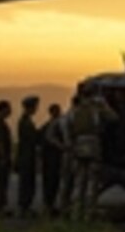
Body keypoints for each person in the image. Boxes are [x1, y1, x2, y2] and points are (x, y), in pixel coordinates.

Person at [70, 89, 117, 220]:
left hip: (78, 145)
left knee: (79, 181)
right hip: (93, 144)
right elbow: (113, 118)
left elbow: (69, 128)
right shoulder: (96, 110)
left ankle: (75, 212)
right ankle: (89, 213)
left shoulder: (74, 111)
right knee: (92, 180)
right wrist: (104, 105)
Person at [15, 95, 40, 218]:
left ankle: (25, 206)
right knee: (26, 183)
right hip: (26, 156)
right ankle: (24, 207)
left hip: (28, 155)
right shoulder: (25, 122)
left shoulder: (27, 121)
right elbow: (32, 138)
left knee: (29, 182)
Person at [39, 103, 66, 218]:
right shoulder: (56, 126)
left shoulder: (46, 126)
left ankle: (49, 206)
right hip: (52, 159)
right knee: (51, 183)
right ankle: (49, 206)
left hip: (50, 159)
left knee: (52, 183)